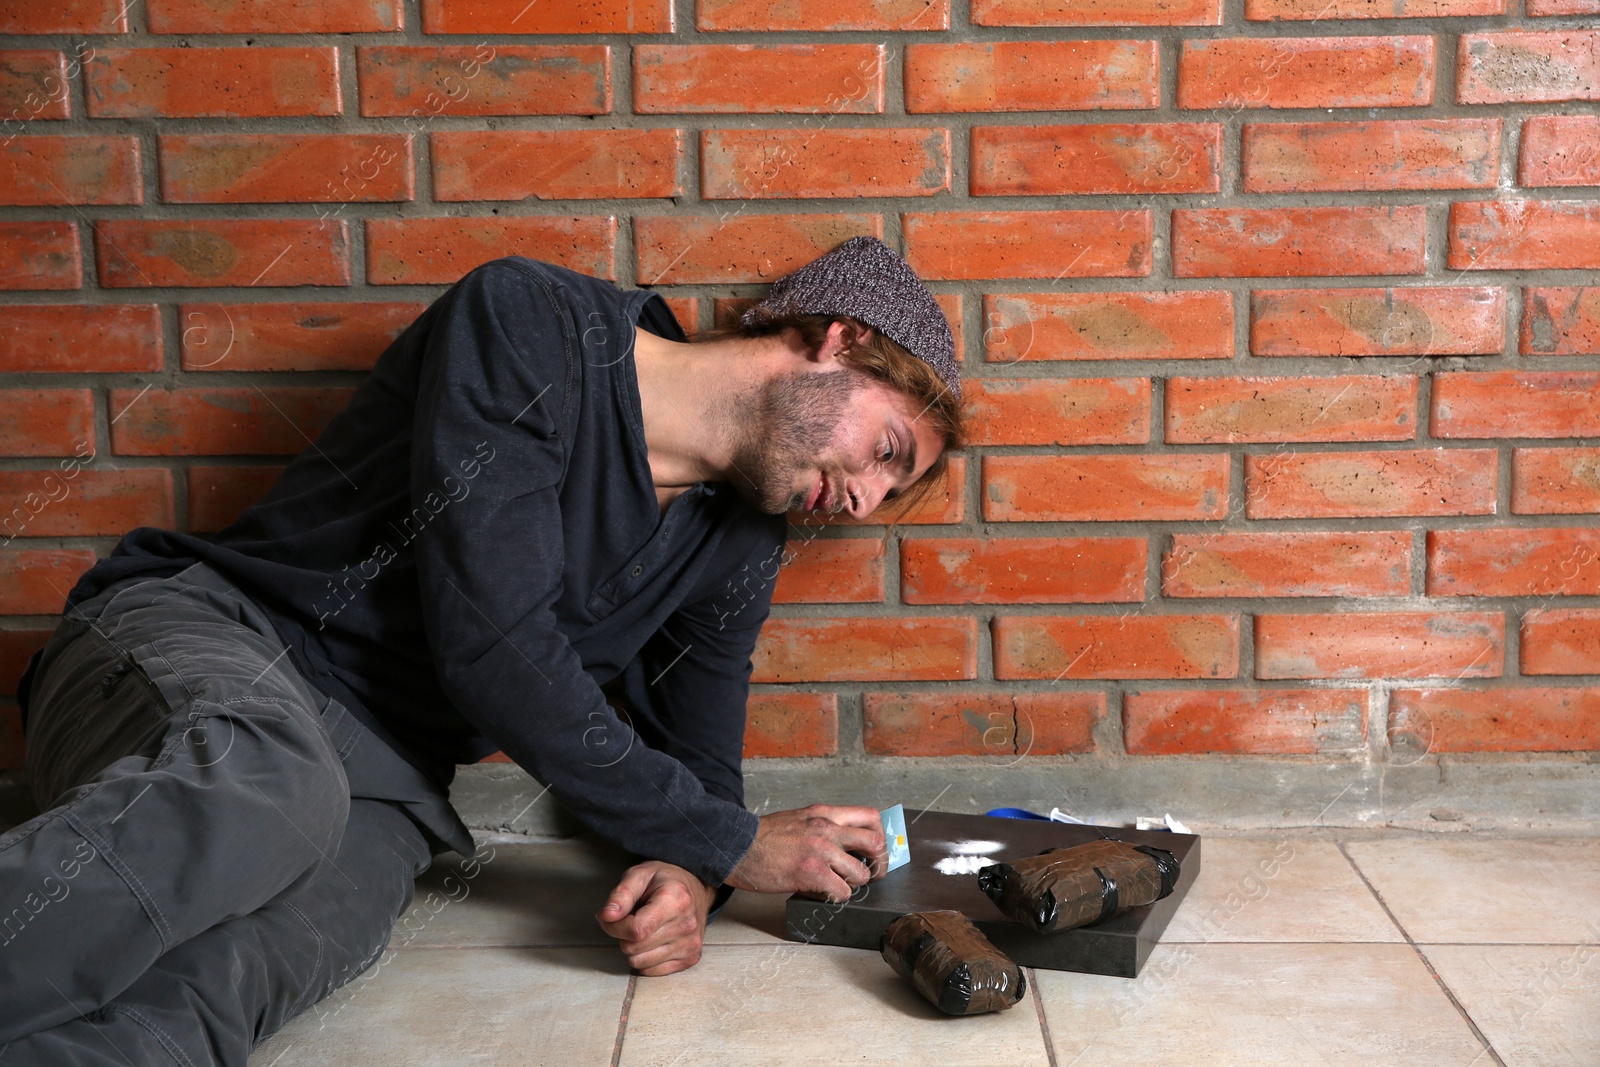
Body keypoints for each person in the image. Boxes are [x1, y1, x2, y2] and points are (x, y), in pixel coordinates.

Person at [0, 235, 964, 1063]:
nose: (864, 503)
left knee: (263, 962)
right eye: (887, 451)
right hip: (213, 643)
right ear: (841, 341)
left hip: (384, 776)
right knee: (274, 786)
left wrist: (690, 872)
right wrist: (732, 842)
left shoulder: (740, 543)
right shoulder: (530, 322)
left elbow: (699, 760)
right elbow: (493, 645)